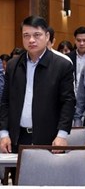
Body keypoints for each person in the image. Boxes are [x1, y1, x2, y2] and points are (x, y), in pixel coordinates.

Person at [0, 16, 75, 153]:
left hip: (50, 139)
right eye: (26, 35)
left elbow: (68, 102)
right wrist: (3, 133)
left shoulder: (62, 65)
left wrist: (62, 135)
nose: (31, 40)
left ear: (47, 36)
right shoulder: (13, 65)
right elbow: (5, 101)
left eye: (37, 35)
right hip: (17, 138)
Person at [67, 26, 85, 91]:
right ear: (75, 40)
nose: (81, 43)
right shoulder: (68, 57)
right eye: (78, 40)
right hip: (71, 93)